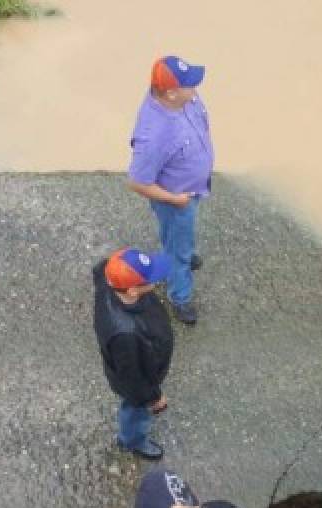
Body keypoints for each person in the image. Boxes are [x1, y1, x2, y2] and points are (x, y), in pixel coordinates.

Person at [127, 55, 215, 325]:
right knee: (177, 249)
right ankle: (180, 297)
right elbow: (137, 181)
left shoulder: (184, 99)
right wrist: (174, 199)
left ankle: (183, 253)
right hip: (177, 199)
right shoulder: (154, 135)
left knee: (180, 241)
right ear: (171, 92)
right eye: (190, 85)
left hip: (194, 187)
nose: (196, 89)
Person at [92, 247, 175, 460]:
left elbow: (100, 268)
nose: (155, 282)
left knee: (135, 403)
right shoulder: (126, 336)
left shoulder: (109, 282)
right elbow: (133, 379)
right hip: (138, 380)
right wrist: (153, 397)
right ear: (132, 291)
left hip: (142, 358)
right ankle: (132, 440)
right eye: (150, 280)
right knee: (135, 409)